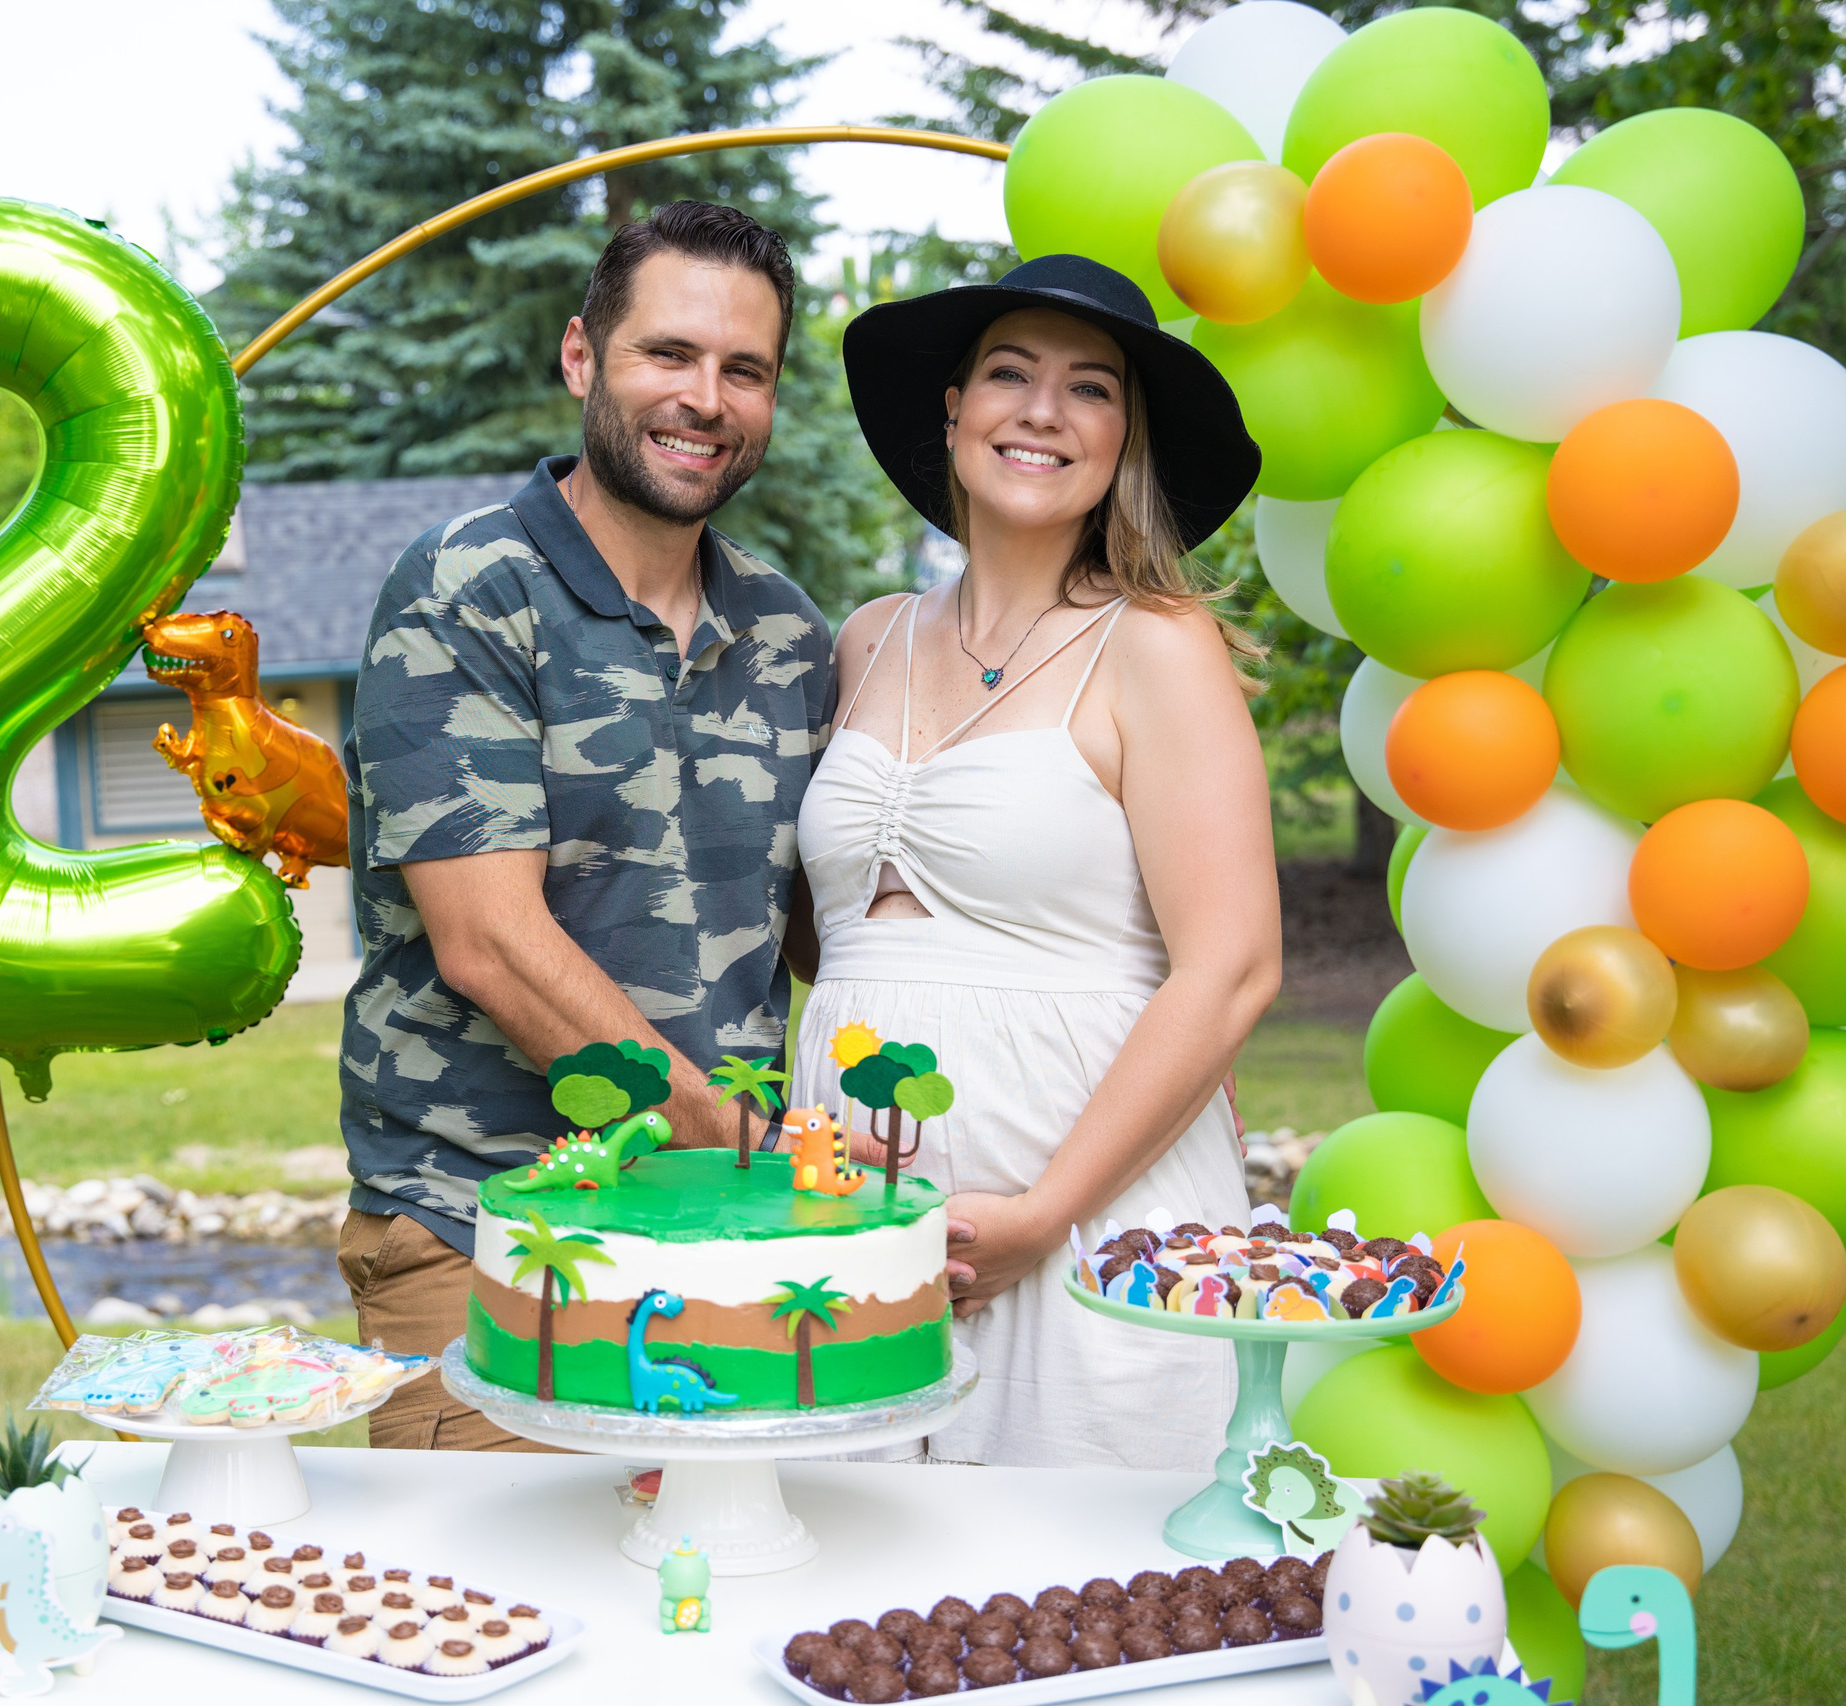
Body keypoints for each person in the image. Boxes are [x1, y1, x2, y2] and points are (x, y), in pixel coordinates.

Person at [336, 202, 834, 1451]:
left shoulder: (788, 635)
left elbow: (834, 932)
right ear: (580, 359)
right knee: (491, 1621)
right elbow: (490, 944)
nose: (705, 398)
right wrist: (739, 1145)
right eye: (666, 354)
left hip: (728, 1238)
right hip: (490, 1230)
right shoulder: (465, 588)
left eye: (744, 370)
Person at [790, 253, 1280, 1468]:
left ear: (1128, 437)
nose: (1042, 411)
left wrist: (1044, 1216)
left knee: (1082, 1607)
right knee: (859, 1603)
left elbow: (1230, 969)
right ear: (951, 406)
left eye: (1091, 389)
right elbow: (829, 934)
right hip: (860, 1208)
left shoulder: (1158, 648)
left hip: (1090, 1214)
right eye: (1008, 373)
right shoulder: (865, 640)